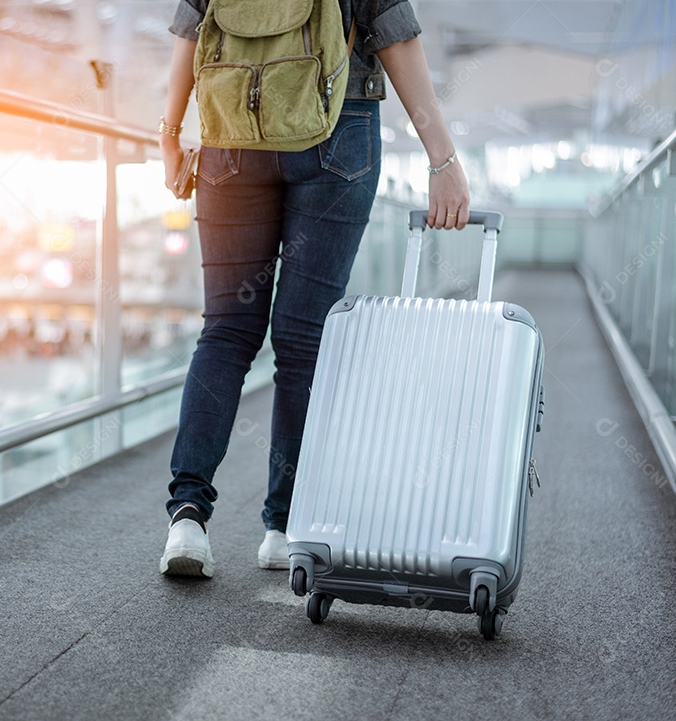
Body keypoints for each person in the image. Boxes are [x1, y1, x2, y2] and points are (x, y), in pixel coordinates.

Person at [158, 0, 471, 578]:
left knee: (226, 330)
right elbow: (397, 38)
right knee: (303, 341)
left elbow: (189, 32)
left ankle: (187, 519)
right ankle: (285, 526)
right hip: (336, 128)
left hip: (233, 135)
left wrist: (171, 132)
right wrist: (442, 159)